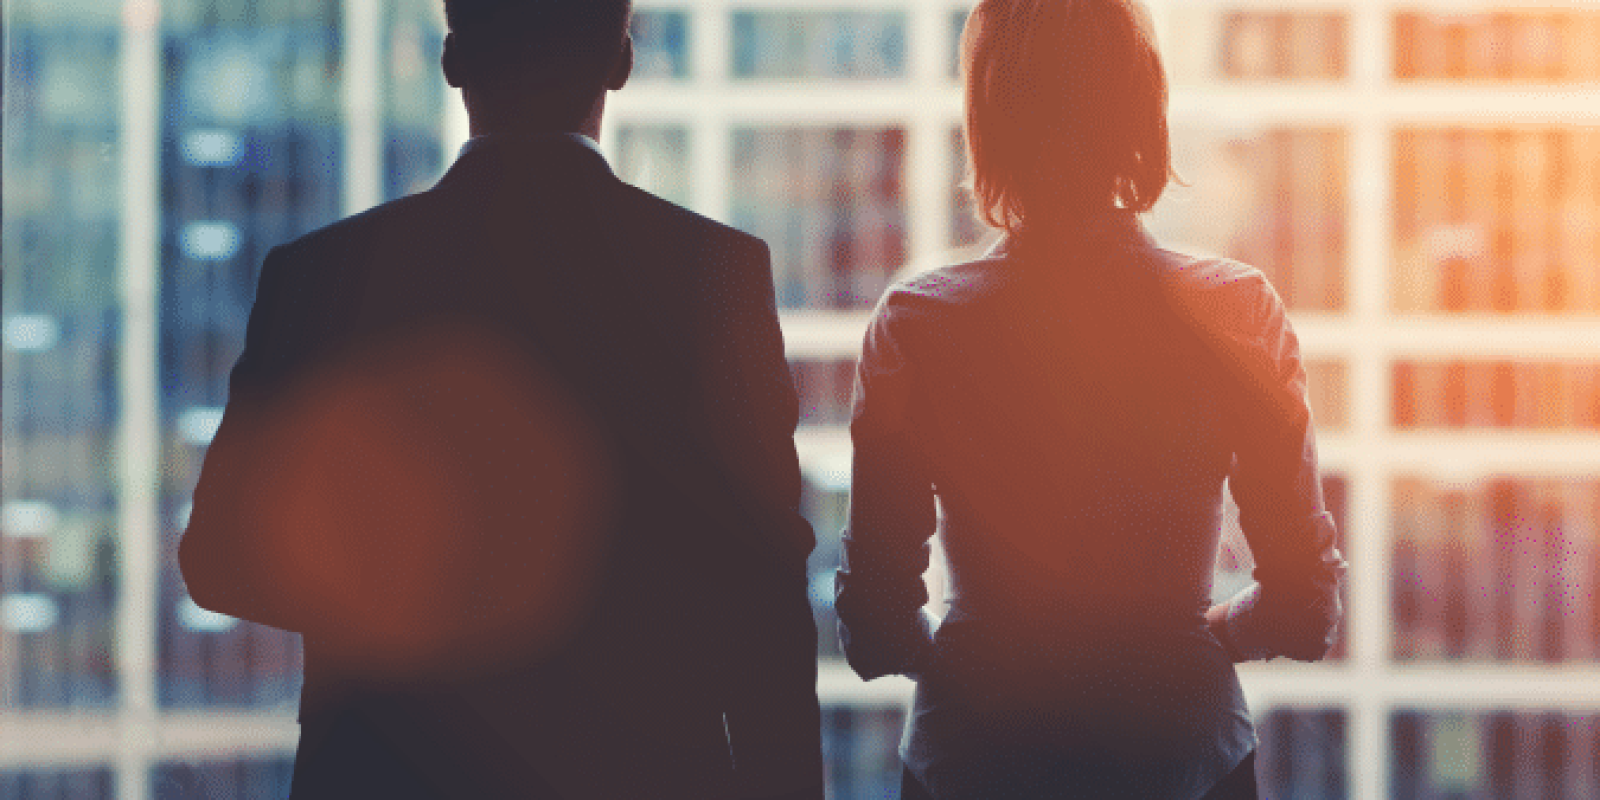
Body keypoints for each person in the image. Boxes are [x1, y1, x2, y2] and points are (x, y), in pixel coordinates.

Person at [178, 1, 823, 797]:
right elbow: (763, 592)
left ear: (452, 63)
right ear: (621, 63)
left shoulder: (320, 275)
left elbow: (220, 560)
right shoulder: (713, 275)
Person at [833, 1, 1347, 798]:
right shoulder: (1234, 312)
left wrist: (969, 656)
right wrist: (1196, 636)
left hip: (971, 762)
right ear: (1144, 108)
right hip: (1184, 758)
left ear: (987, 116)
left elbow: (874, 632)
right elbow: (1306, 608)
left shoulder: (919, 326)